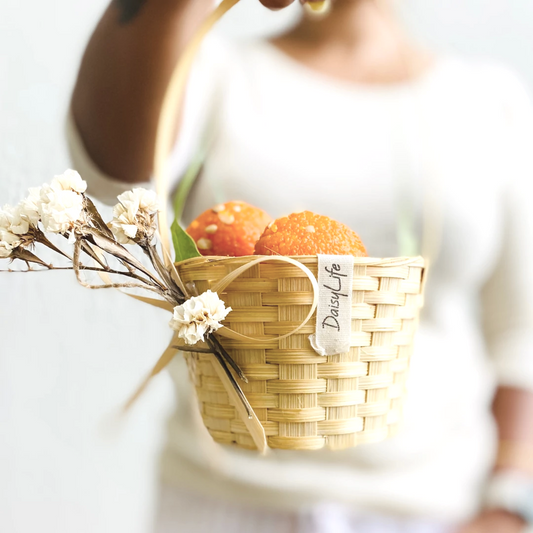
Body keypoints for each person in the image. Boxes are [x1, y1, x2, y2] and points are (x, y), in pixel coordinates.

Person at [68, 0, 533, 531]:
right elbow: (110, 177)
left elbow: (521, 331)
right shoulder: (217, 74)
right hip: (223, 500)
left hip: (434, 508)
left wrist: (509, 501)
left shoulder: (488, 102)